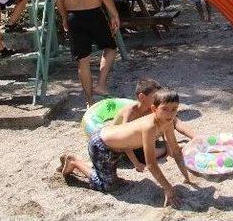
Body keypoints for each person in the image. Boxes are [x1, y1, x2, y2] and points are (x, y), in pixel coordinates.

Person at [58, 88, 196, 207]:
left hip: (117, 149)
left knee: (110, 176)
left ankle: (95, 166)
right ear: (154, 109)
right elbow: (151, 164)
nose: (170, 114)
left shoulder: (168, 123)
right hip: (101, 146)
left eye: (174, 109)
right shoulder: (150, 127)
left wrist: (187, 178)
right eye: (165, 109)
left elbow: (176, 151)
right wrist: (168, 188)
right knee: (107, 185)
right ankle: (74, 161)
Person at [113, 78, 196, 171]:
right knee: (148, 155)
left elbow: (175, 122)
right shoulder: (131, 112)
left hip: (142, 140)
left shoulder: (152, 108)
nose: (159, 100)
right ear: (142, 97)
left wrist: (195, 137)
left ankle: (169, 148)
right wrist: (136, 163)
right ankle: (165, 149)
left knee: (168, 121)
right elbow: (124, 141)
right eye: (155, 97)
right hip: (125, 145)